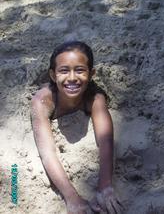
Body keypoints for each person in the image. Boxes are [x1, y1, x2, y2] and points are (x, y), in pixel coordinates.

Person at [31, 41, 122, 214]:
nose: (72, 77)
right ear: (52, 75)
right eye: (64, 70)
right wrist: (72, 198)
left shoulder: (95, 98)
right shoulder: (42, 101)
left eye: (80, 70)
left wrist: (105, 187)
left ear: (91, 73)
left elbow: (105, 141)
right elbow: (47, 153)